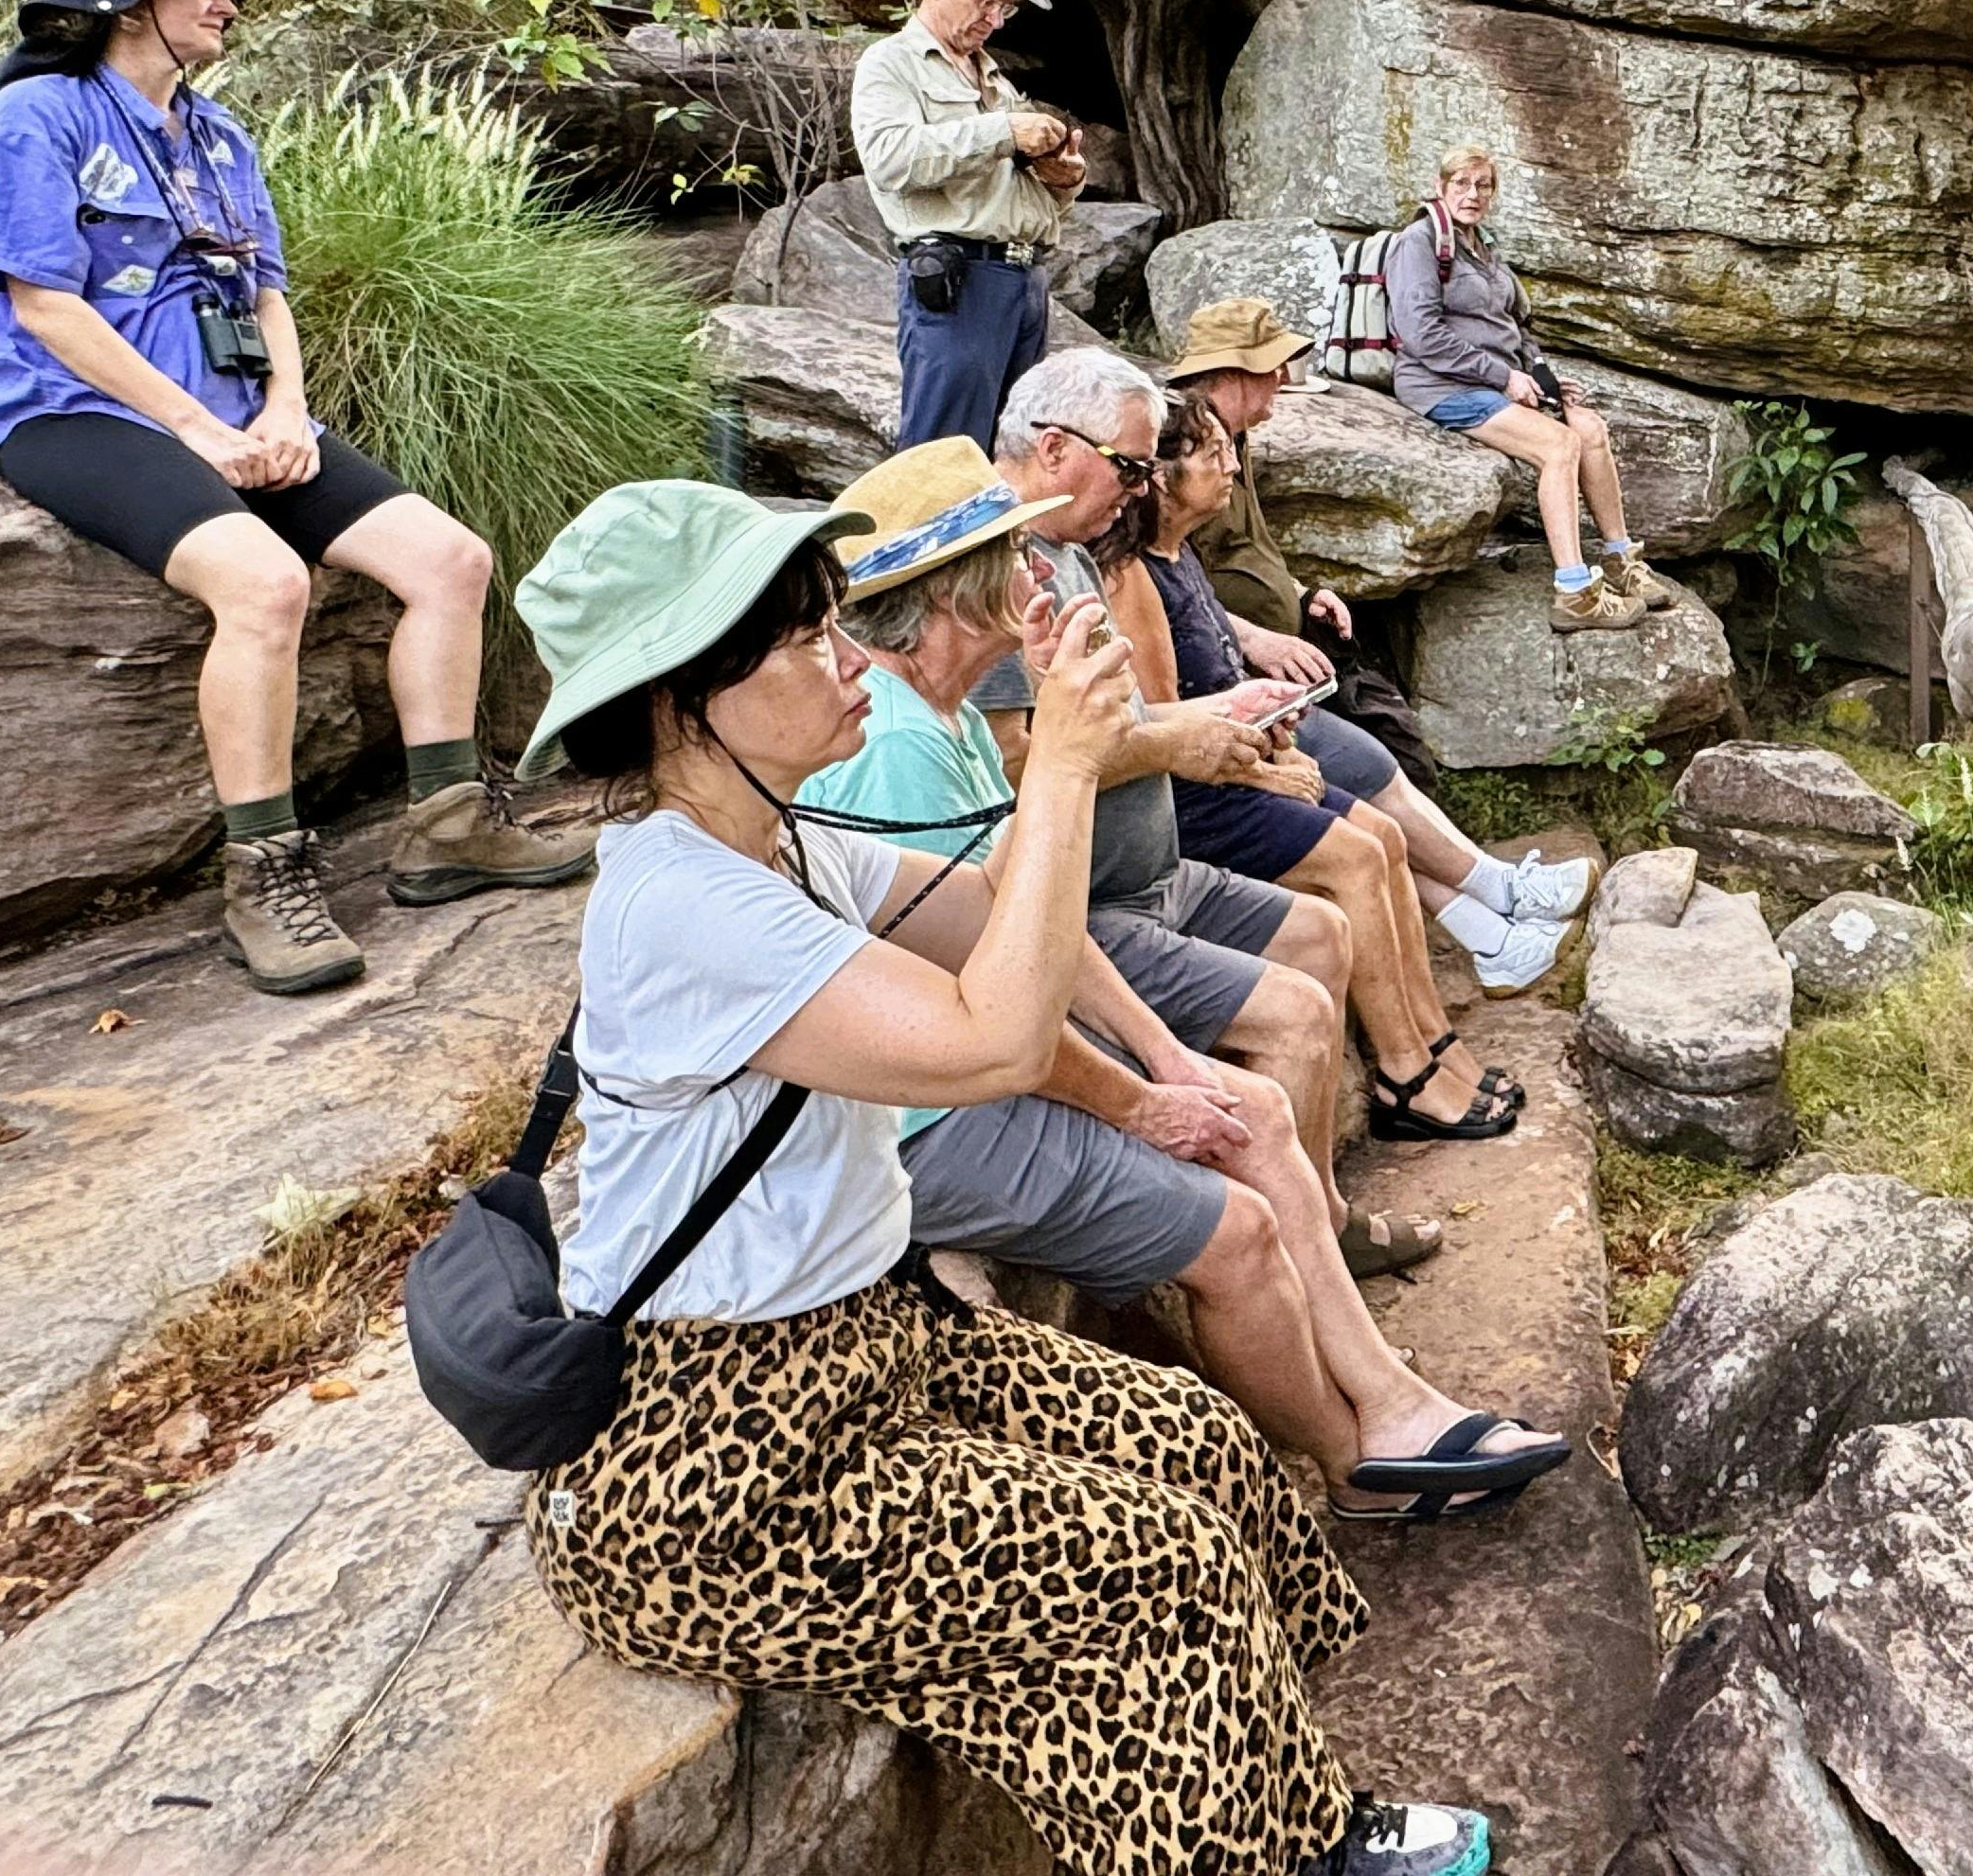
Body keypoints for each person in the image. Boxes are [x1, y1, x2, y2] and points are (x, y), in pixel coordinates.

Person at [506, 478, 1496, 1876]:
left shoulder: (778, 842)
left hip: (860, 1355)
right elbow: (995, 1034)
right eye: (805, 642)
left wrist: (1076, 749)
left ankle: (1282, 1809)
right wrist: (1071, 768)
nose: (853, 658)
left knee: (1200, 1446)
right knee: (1158, 1562)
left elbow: (990, 912)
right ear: (683, 700)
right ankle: (1265, 1854)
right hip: (717, 1468)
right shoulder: (686, 904)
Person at [794, 438, 1566, 1513]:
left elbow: (1029, 926)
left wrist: (1164, 1056)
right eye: (1009, 557)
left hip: (989, 1059)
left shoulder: (952, 717)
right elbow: (986, 1004)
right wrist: (1144, 1099)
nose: (1034, 575)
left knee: (1246, 1103)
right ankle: (1357, 1465)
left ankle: (1391, 1401)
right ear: (950, 599)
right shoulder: (896, 751)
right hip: (926, 1115)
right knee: (1236, 1221)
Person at [0, 0, 593, 996]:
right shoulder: (39, 117)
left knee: (453, 561)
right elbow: (46, 307)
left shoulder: (218, 135)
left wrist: (285, 411)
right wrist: (195, 427)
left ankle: (446, 825)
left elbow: (267, 292)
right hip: (76, 414)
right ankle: (265, 875)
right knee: (265, 583)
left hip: (244, 421)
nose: (225, 2)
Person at [986, 348, 1524, 1142]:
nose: (1139, 490)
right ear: (1055, 445)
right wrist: (1185, 744)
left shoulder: (1066, 552)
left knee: (1346, 890)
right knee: (1347, 874)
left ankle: (1423, 1064)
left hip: (1160, 863)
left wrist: (1227, 712)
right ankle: (1404, 1081)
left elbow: (1123, 717)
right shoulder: (1001, 568)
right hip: (1099, 898)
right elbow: (1020, 760)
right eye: (1130, 468)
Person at [1166, 297, 1592, 995]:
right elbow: (1180, 582)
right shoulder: (1189, 459)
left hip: (1278, 661)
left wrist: (1302, 595)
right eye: (1271, 368)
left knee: (1378, 773)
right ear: (1233, 375)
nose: (1283, 381)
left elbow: (1248, 557)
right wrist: (1255, 637)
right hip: (1237, 683)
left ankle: (1499, 926)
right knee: (1365, 773)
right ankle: (1503, 900)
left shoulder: (1230, 444)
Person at [1383, 147, 1673, 633]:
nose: (1472, 194)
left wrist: (1543, 378)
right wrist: (1503, 378)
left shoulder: (1484, 247)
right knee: (1559, 445)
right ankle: (1576, 592)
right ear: (1441, 186)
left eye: (1483, 185)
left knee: (1590, 428)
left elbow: (1516, 327)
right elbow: (1420, 334)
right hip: (1440, 386)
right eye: (1461, 183)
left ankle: (1622, 561)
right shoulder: (1419, 242)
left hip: (1498, 383)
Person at [854, 0, 1090, 451]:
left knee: (1012, 456)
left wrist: (1064, 178)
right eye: (984, 1)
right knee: (945, 459)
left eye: (1003, 9)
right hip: (958, 283)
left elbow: (1015, 189)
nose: (994, 19)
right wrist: (1004, 130)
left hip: (1024, 282)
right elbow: (890, 159)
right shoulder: (890, 64)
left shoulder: (995, 79)